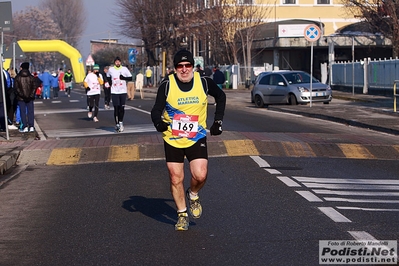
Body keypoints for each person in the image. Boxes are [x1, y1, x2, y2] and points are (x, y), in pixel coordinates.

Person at [151, 49, 226, 231]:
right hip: (173, 139)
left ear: (193, 66)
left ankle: (193, 194)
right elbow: (156, 110)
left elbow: (221, 96)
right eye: (180, 66)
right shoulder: (167, 84)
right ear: (175, 68)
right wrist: (158, 123)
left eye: (188, 65)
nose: (184, 69)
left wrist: (218, 121)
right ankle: (182, 214)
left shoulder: (204, 82)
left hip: (196, 136)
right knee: (176, 177)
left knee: (200, 174)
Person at [107, 57, 132, 132]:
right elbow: (108, 77)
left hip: (123, 91)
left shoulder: (124, 69)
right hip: (114, 91)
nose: (117, 63)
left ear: (120, 62)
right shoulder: (111, 69)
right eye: (116, 62)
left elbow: (130, 78)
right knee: (116, 108)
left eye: (119, 62)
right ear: (114, 62)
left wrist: (123, 78)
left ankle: (121, 122)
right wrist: (109, 83)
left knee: (122, 108)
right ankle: (117, 123)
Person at [14, 62, 37, 133]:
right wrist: (31, 95)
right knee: (30, 112)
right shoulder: (31, 77)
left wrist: (21, 95)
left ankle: (24, 126)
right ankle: (31, 126)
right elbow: (34, 87)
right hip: (30, 98)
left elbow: (16, 88)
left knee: (22, 112)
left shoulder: (17, 77)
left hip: (21, 98)